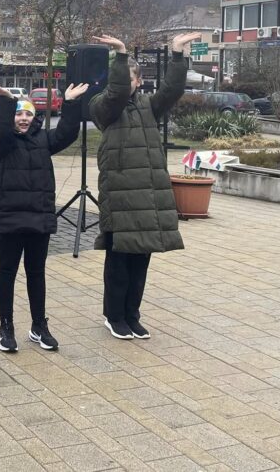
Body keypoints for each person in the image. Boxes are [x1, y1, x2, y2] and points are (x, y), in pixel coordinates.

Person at [89, 32, 200, 340]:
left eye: (130, 79)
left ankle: (132, 315)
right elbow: (115, 94)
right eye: (120, 78)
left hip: (147, 199)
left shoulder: (149, 107)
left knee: (140, 263)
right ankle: (114, 316)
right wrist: (121, 55)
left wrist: (177, 55)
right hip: (120, 198)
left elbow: (173, 89)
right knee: (119, 263)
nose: (125, 84)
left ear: (139, 81)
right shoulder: (102, 107)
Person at [0, 81, 89, 353]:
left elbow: (67, 133)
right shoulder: (2, 143)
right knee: (7, 271)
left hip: (38, 218)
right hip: (9, 218)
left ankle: (39, 326)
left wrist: (70, 103)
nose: (23, 118)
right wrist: (7, 102)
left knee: (36, 272)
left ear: (35, 118)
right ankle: (6, 326)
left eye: (28, 114)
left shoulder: (44, 140)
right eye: (18, 114)